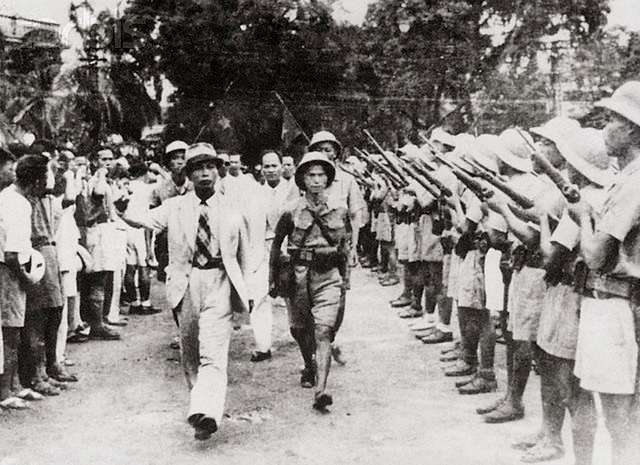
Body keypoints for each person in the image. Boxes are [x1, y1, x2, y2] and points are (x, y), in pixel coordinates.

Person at [123, 142, 250, 440]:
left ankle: (207, 409)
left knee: (213, 353)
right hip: (187, 282)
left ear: (217, 171)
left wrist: (246, 290)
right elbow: (139, 218)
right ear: (189, 174)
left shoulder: (233, 207)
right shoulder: (175, 207)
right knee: (190, 353)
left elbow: (245, 252)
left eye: (210, 167)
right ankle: (200, 410)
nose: (205, 174)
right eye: (198, 168)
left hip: (220, 280)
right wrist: (123, 205)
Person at [570, 81, 640, 465]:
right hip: (608, 302)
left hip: (618, 304)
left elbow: (597, 254)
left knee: (621, 418)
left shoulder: (634, 182)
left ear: (631, 128)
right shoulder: (625, 178)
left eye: (613, 118)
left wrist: (582, 218)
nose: (605, 126)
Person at [269, 151, 350, 411]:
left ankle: (321, 390)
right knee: (299, 328)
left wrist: (346, 278)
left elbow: (344, 246)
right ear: (302, 180)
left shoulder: (340, 209)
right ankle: (309, 364)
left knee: (324, 330)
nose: (316, 180)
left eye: (321, 175)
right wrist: (273, 279)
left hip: (328, 275)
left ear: (328, 179)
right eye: (311, 175)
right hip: (299, 274)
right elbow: (276, 245)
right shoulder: (290, 211)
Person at [0, 154, 46, 409]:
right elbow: (12, 253)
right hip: (9, 270)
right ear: (37, 180)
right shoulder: (18, 204)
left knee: (14, 330)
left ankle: (15, 384)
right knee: (9, 332)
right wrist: (27, 280)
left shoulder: (8, 196)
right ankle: (6, 391)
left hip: (10, 267)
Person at [246, 150, 298, 362]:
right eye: (266, 166)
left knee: (293, 295)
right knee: (259, 296)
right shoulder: (255, 193)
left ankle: (300, 332)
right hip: (263, 248)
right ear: (261, 169)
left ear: (282, 166)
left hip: (289, 248)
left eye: (274, 165)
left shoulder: (293, 190)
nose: (271, 170)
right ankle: (263, 346)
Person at [77, 148, 121, 341]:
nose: (108, 162)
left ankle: (99, 319)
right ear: (96, 161)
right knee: (98, 277)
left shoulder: (106, 180)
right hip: (96, 231)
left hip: (106, 229)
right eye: (104, 159)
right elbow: (98, 194)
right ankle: (96, 324)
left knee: (105, 276)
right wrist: (102, 174)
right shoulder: (96, 180)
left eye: (111, 159)